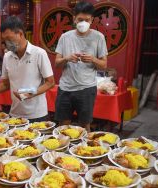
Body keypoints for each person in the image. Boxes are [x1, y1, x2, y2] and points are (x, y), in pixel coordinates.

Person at [0, 16, 55, 122]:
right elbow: (5, 85)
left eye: (9, 39)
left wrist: (31, 93)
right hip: (15, 114)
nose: (7, 43)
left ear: (20, 34)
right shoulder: (7, 56)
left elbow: (50, 82)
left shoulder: (39, 53)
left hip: (37, 114)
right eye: (5, 40)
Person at [54, 1, 108, 132]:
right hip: (65, 88)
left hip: (86, 89)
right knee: (63, 126)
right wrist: (67, 58)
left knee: (85, 126)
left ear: (92, 20)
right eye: (80, 19)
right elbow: (57, 64)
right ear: (74, 19)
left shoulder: (98, 37)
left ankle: (84, 150)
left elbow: (104, 65)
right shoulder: (65, 37)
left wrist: (93, 59)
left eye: (87, 20)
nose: (83, 23)